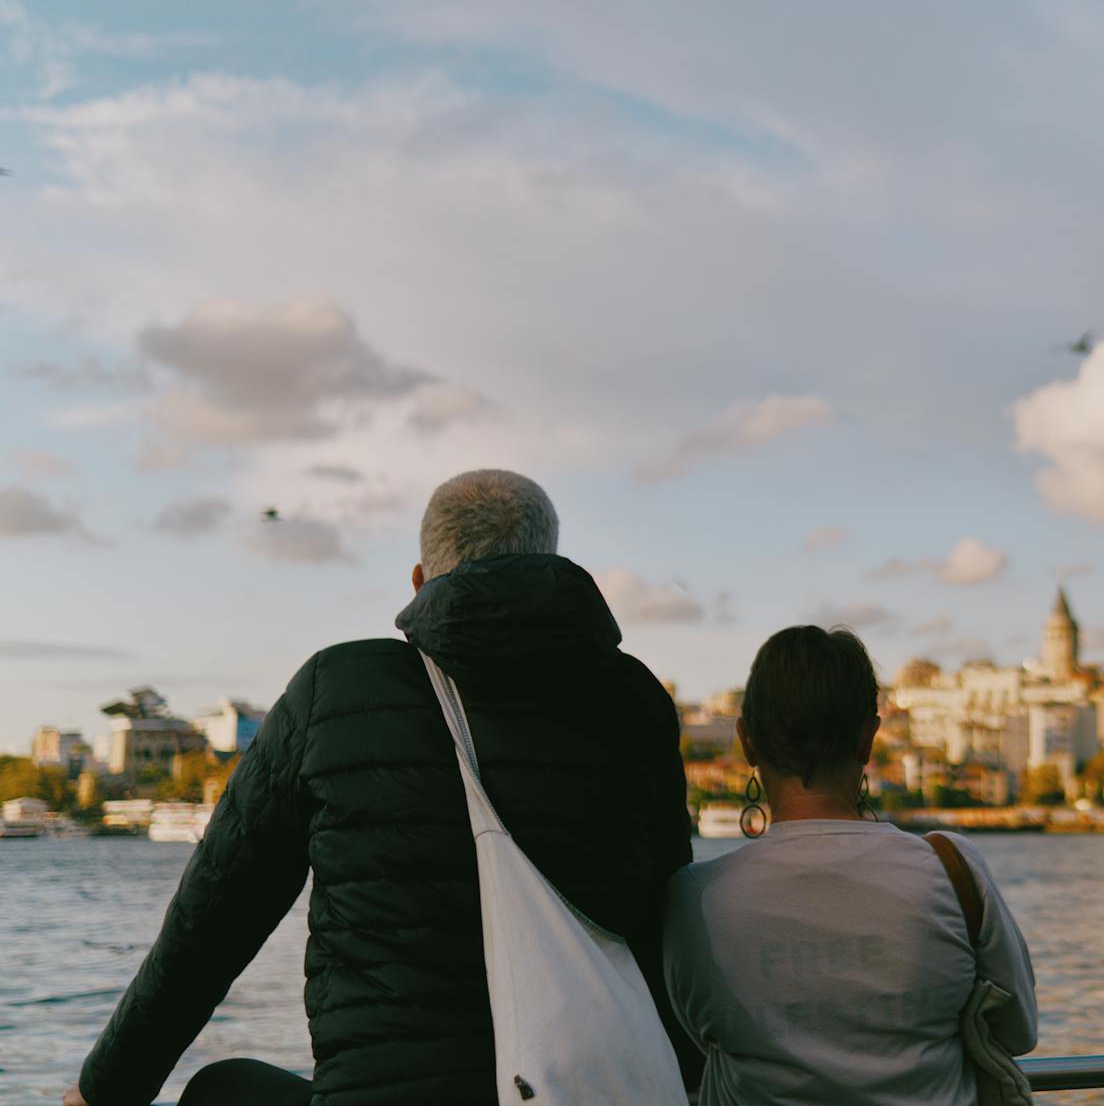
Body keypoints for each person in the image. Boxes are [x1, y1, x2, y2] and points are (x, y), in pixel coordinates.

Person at [65, 469, 701, 1105]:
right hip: (586, 1088)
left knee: (219, 1089)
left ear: (421, 581)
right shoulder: (633, 703)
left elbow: (211, 925)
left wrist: (103, 1090)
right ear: (550, 566)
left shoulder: (335, 689)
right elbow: (667, 919)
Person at [663, 625, 1037, 1104]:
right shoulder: (950, 870)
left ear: (746, 741)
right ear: (868, 737)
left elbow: (698, 1038)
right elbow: (1017, 1031)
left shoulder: (695, 898)